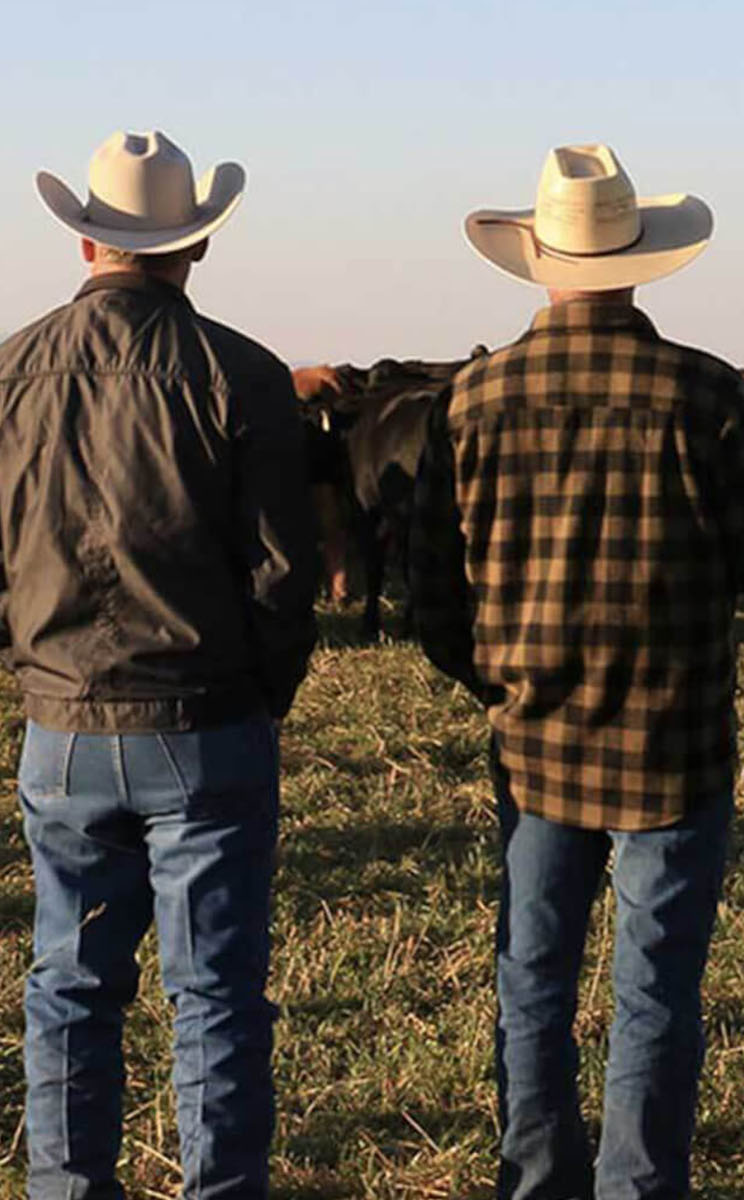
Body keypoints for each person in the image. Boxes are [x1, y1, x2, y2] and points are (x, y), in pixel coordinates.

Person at [411, 144, 744, 1199]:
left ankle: (537, 1177)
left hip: (534, 745)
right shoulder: (706, 393)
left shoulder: (469, 400)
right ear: (636, 262)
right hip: (672, 747)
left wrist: (502, 683)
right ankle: (639, 1186)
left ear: (539, 263)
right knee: (655, 989)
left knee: (532, 980)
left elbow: (432, 596)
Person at [0, 130, 318, 1198]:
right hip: (204, 724)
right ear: (197, 246)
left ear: (87, 242)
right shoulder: (245, 374)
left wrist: (33, 670)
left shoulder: (9, 372)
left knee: (68, 984)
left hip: (60, 726)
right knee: (216, 994)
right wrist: (257, 697)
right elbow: (285, 574)